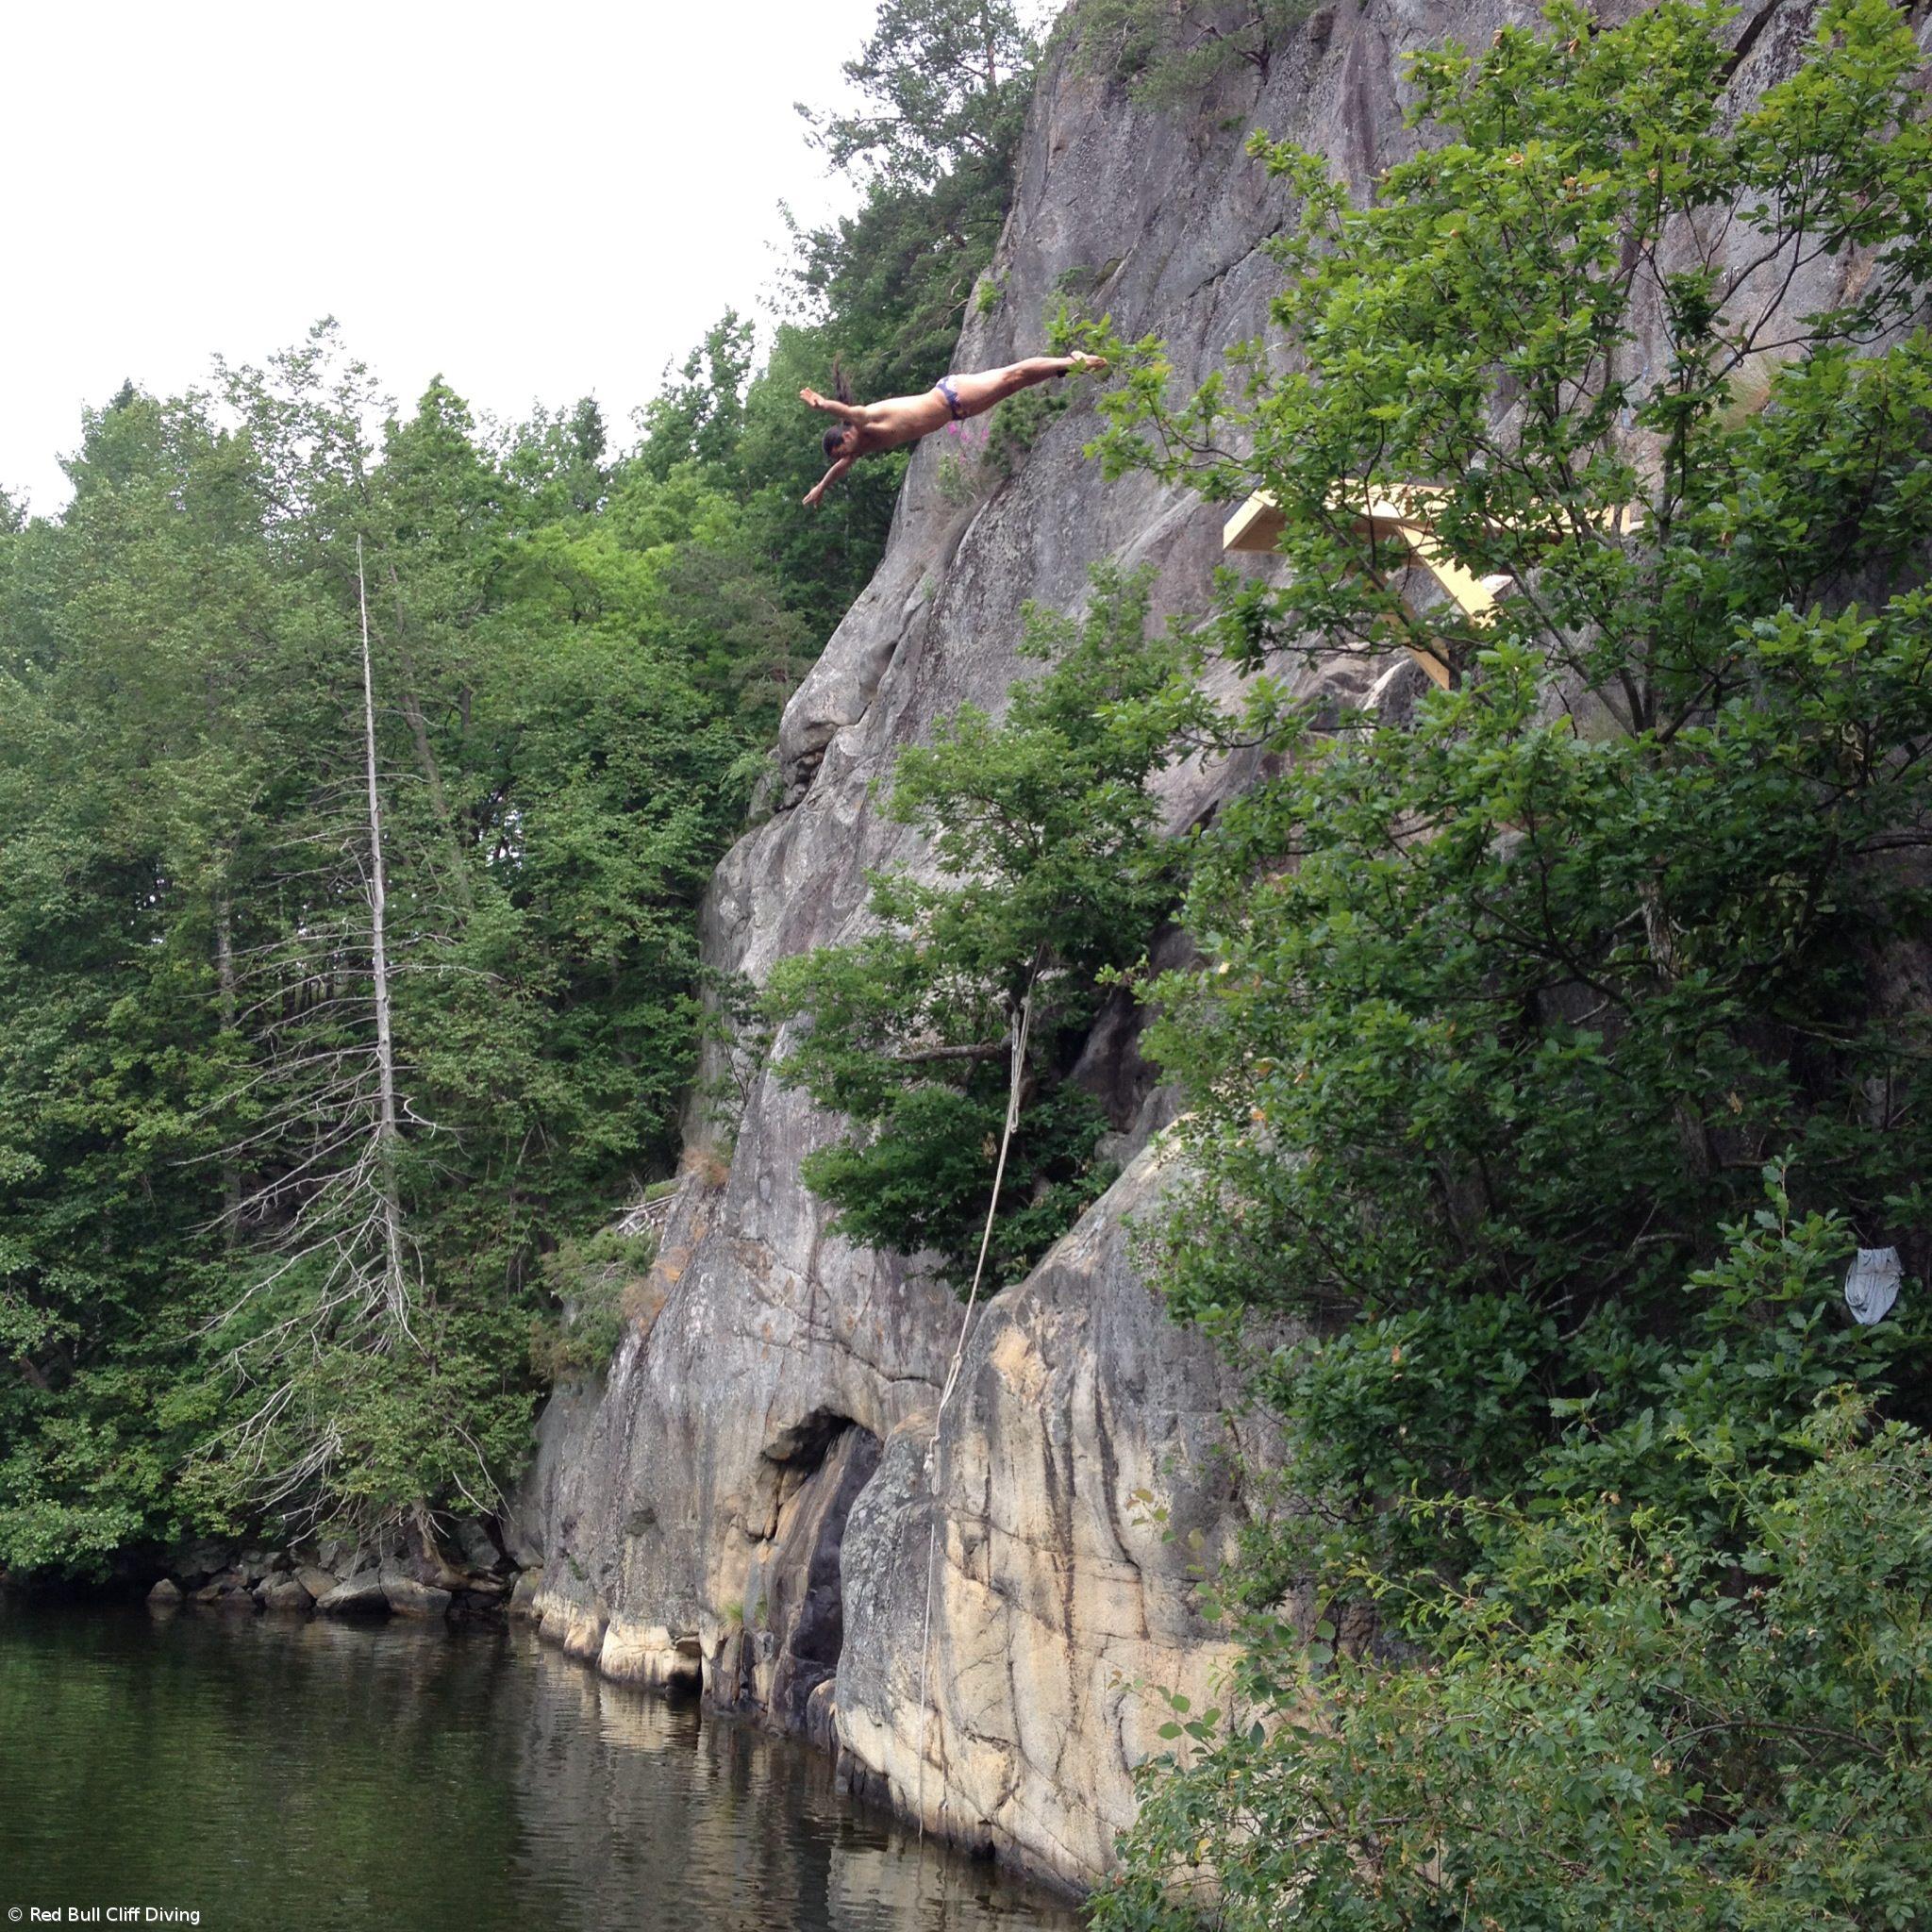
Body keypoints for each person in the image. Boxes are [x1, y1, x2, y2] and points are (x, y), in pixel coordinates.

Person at [800, 353, 1108, 507]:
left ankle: (1072, 360)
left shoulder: (866, 420)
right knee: (1017, 381)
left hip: (952, 396)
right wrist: (821, 488)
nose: (847, 456)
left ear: (847, 435)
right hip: (957, 408)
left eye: (843, 449)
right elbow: (840, 467)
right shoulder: (861, 447)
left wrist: (823, 404)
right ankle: (1067, 365)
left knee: (1014, 375)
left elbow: (849, 411)